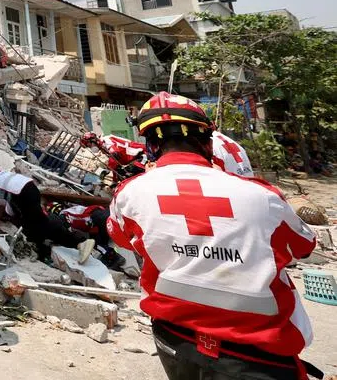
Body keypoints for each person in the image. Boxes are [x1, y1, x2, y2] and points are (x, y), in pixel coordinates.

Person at [108, 92, 321, 380]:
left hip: (173, 335)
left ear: (151, 146)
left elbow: (123, 238)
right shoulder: (261, 196)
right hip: (258, 351)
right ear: (208, 142)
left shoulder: (129, 193)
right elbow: (303, 246)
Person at [0, 167, 95, 264]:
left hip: (21, 194)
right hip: (28, 187)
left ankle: (79, 243)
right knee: (30, 225)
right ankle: (43, 254)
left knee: (42, 224)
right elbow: (0, 202)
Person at [47, 202, 127, 270]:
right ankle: (113, 258)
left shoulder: (64, 214)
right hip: (100, 216)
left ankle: (114, 258)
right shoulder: (73, 208)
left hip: (96, 219)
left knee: (96, 244)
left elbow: (69, 229)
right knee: (100, 243)